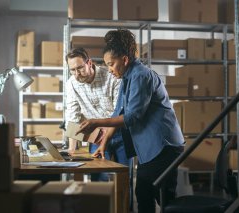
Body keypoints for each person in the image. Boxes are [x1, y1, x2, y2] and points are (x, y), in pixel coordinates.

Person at [76, 29, 185, 213]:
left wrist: (95, 122)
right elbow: (118, 112)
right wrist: (104, 143)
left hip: (163, 146)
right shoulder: (127, 77)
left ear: (124, 60)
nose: (109, 70)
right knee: (143, 194)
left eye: (111, 64)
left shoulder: (140, 75)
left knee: (163, 198)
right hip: (150, 148)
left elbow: (132, 117)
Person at [65, 47, 130, 182]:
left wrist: (107, 136)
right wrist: (72, 148)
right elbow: (73, 116)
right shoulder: (71, 84)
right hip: (97, 135)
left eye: (80, 68)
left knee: (124, 179)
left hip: (120, 132)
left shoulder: (112, 76)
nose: (77, 74)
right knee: (99, 178)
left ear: (89, 63)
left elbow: (119, 112)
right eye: (72, 70)